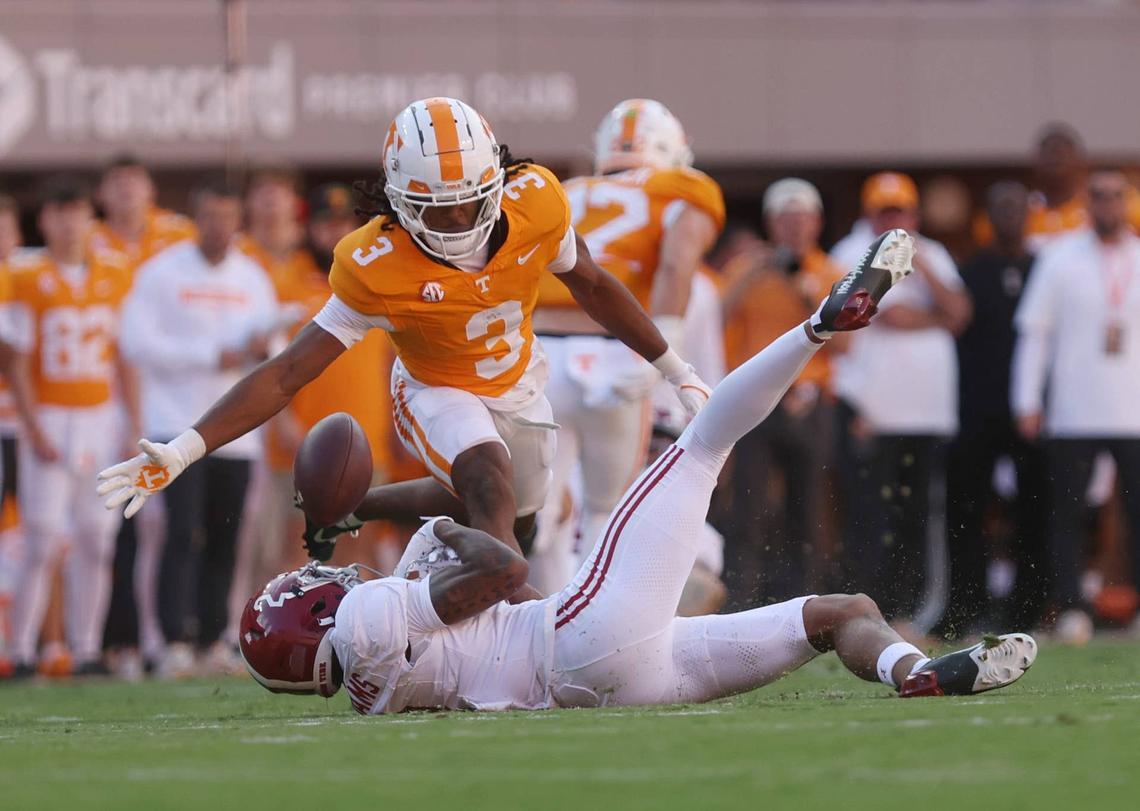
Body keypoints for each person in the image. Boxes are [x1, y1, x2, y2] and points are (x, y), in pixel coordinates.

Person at [239, 229, 1038, 713]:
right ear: (311, 622)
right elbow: (505, 566)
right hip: (575, 636)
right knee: (702, 438)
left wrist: (360, 505)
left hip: (611, 677)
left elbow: (477, 551)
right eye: (302, 593)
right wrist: (449, 529)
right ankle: (825, 322)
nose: (320, 581)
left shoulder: (374, 666)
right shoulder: (366, 618)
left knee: (839, 612)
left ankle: (915, 672)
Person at [97, 97, 710, 581]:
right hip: (433, 386)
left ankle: (356, 507)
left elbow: (594, 285)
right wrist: (184, 448)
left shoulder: (537, 204)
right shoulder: (376, 261)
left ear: (496, 183)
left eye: (469, 206)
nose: (455, 223)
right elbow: (287, 372)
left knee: (515, 524)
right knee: (488, 487)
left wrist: (675, 366)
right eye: (435, 209)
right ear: (398, 201)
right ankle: (481, 632)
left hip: (521, 383)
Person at [530, 98, 724, 588]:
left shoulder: (562, 191)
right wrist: (667, 346)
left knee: (539, 508)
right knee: (605, 510)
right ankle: (585, 628)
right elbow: (678, 264)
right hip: (615, 351)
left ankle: (534, 625)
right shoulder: (683, 188)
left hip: (537, 355)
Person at [118, 178, 279, 676]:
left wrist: (256, 352)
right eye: (209, 217)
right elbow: (136, 343)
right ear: (196, 219)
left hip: (236, 432)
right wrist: (211, 356)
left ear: (239, 222)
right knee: (180, 532)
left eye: (228, 218)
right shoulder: (161, 273)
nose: (219, 228)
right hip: (174, 425)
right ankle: (171, 640)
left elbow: (276, 350)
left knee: (226, 536)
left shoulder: (253, 278)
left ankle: (213, 637)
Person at [3, 178, 136, 678]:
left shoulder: (115, 271)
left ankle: (83, 648)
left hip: (101, 414)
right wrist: (32, 426)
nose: (69, 223)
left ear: (89, 217)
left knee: (97, 535)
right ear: (46, 221)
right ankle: (20, 650)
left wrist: (132, 421)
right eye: (60, 213)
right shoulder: (25, 274)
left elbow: (125, 354)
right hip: (52, 412)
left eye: (77, 212)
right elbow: (14, 361)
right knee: (41, 536)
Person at [830, 172, 972, 630]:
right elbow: (866, 319)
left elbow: (959, 313)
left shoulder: (934, 253)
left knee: (916, 517)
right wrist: (926, 316)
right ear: (869, 215)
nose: (894, 220)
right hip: (873, 410)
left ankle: (910, 614)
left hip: (927, 412)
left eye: (901, 212)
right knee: (871, 516)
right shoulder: (847, 254)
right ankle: (868, 612)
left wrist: (922, 264)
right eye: (885, 212)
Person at [1012, 170, 1140, 644]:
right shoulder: (1059, 257)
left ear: (1127, 203)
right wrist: (1026, 399)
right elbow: (1034, 334)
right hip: (1073, 409)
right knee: (1065, 513)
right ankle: (1071, 608)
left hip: (1134, 410)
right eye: (1099, 196)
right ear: (1088, 204)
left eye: (1116, 196)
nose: (1107, 204)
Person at [91, 155, 196, 679]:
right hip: (98, 400)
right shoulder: (88, 243)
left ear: (151, 189)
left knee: (159, 522)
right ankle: (114, 639)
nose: (128, 192)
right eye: (118, 182)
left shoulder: (179, 236)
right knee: (105, 526)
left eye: (135, 182)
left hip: (169, 397)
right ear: (104, 192)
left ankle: (160, 636)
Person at [718, 178, 845, 606]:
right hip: (757, 396)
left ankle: (804, 602)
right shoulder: (749, 267)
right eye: (786, 219)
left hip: (809, 398)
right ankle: (742, 598)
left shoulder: (830, 272)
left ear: (817, 223)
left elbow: (846, 344)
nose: (794, 228)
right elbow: (715, 315)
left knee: (808, 507)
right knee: (748, 505)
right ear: (772, 223)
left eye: (802, 219)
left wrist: (811, 295)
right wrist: (757, 268)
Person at [941, 182, 1048, 638]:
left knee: (1036, 511)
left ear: (1029, 212)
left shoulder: (1048, 268)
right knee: (966, 511)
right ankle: (966, 607)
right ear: (988, 214)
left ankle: (1029, 610)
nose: (1009, 215)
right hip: (977, 411)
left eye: (1016, 207)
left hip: (1031, 413)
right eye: (1000, 207)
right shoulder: (972, 269)